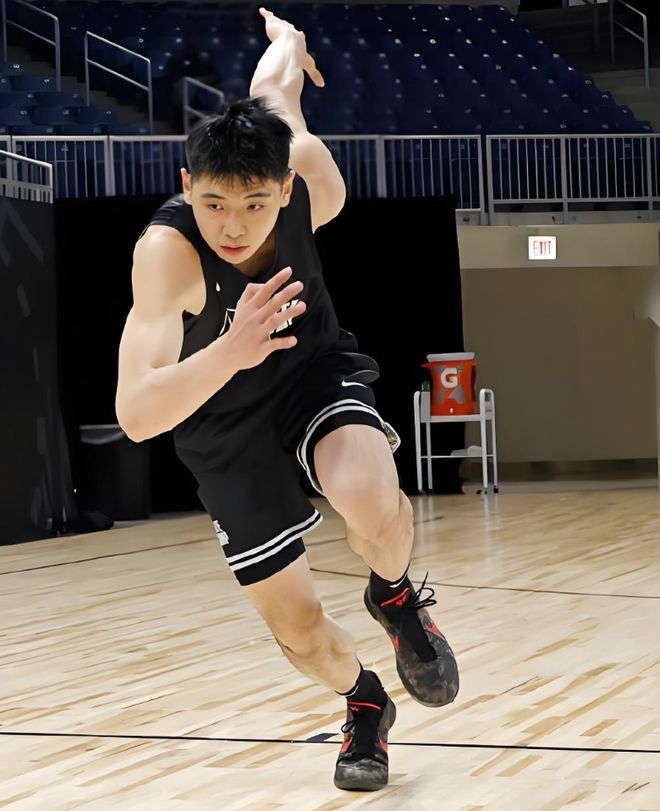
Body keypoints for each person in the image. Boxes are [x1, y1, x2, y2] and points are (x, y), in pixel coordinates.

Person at [115, 7, 458, 792]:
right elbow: (136, 413)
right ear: (186, 186)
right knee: (300, 631)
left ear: (287, 187)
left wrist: (287, 42)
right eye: (213, 204)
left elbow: (277, 94)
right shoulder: (166, 256)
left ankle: (395, 594)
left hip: (309, 372)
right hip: (217, 419)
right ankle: (365, 702)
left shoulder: (312, 177)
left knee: (368, 493)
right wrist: (230, 350)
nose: (232, 226)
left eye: (254, 204)